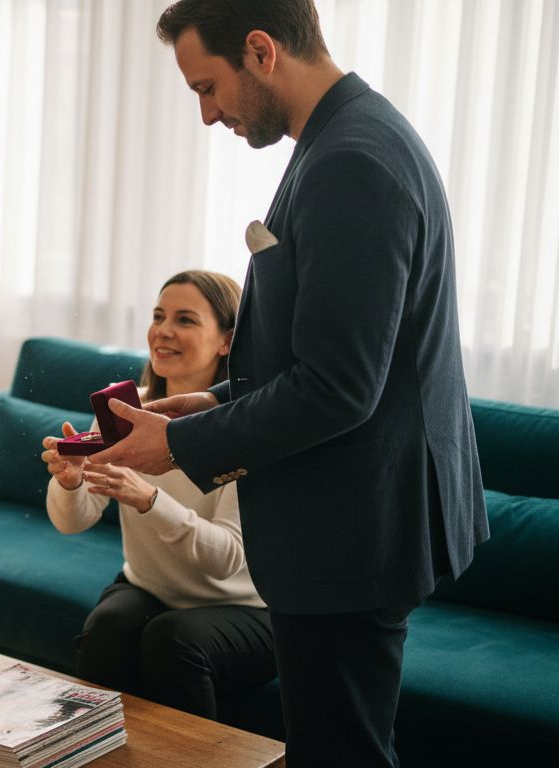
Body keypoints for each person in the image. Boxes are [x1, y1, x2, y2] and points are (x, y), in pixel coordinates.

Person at [94, 2, 489, 765]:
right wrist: (213, 400)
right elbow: (333, 358)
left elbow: (340, 386)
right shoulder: (347, 140)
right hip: (353, 516)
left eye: (207, 87)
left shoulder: (352, 161)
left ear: (261, 50)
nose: (208, 115)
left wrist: (179, 443)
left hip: (353, 527)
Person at [40, 270, 276, 723]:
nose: (163, 331)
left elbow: (228, 560)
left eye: (185, 319)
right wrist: (70, 483)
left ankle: (191, 755)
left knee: (172, 640)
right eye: (158, 316)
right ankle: (91, 748)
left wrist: (149, 498)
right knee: (107, 629)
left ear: (227, 341)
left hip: (246, 606)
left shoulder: (241, 427)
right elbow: (72, 522)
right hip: (149, 587)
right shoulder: (125, 410)